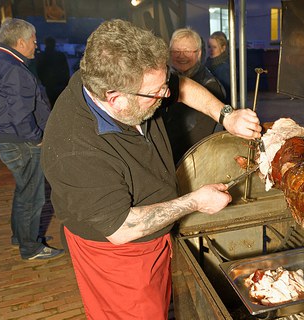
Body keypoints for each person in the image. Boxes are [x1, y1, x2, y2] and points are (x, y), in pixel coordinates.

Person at [40, 19, 261, 320]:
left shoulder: (114, 77)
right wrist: (196, 201)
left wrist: (225, 115)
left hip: (152, 231)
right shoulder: (76, 150)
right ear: (116, 99)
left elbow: (179, 87)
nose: (166, 95)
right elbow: (121, 228)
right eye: (156, 93)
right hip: (117, 254)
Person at [0, 18, 64, 260]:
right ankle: (30, 248)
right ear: (20, 41)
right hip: (22, 142)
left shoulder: (1, 62)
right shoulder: (14, 69)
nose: (35, 45)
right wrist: (37, 138)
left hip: (10, 138)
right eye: (33, 40)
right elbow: (20, 112)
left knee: (24, 191)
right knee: (33, 195)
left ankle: (21, 237)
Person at [164, 27, 227, 164]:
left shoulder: (210, 86)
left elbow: (198, 137)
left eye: (187, 51)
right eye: (176, 51)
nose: (181, 56)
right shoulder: (166, 80)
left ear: (199, 54)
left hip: (194, 161)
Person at [36, 37, 70, 107]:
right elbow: (66, 70)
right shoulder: (60, 55)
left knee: (53, 103)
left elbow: (39, 70)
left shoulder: (43, 56)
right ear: (54, 44)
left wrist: (44, 81)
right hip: (61, 84)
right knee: (62, 104)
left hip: (50, 84)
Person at [205, 31, 231, 104]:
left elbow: (225, 93)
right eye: (209, 47)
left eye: (214, 47)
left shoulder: (225, 68)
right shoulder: (208, 63)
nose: (211, 50)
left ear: (223, 48)